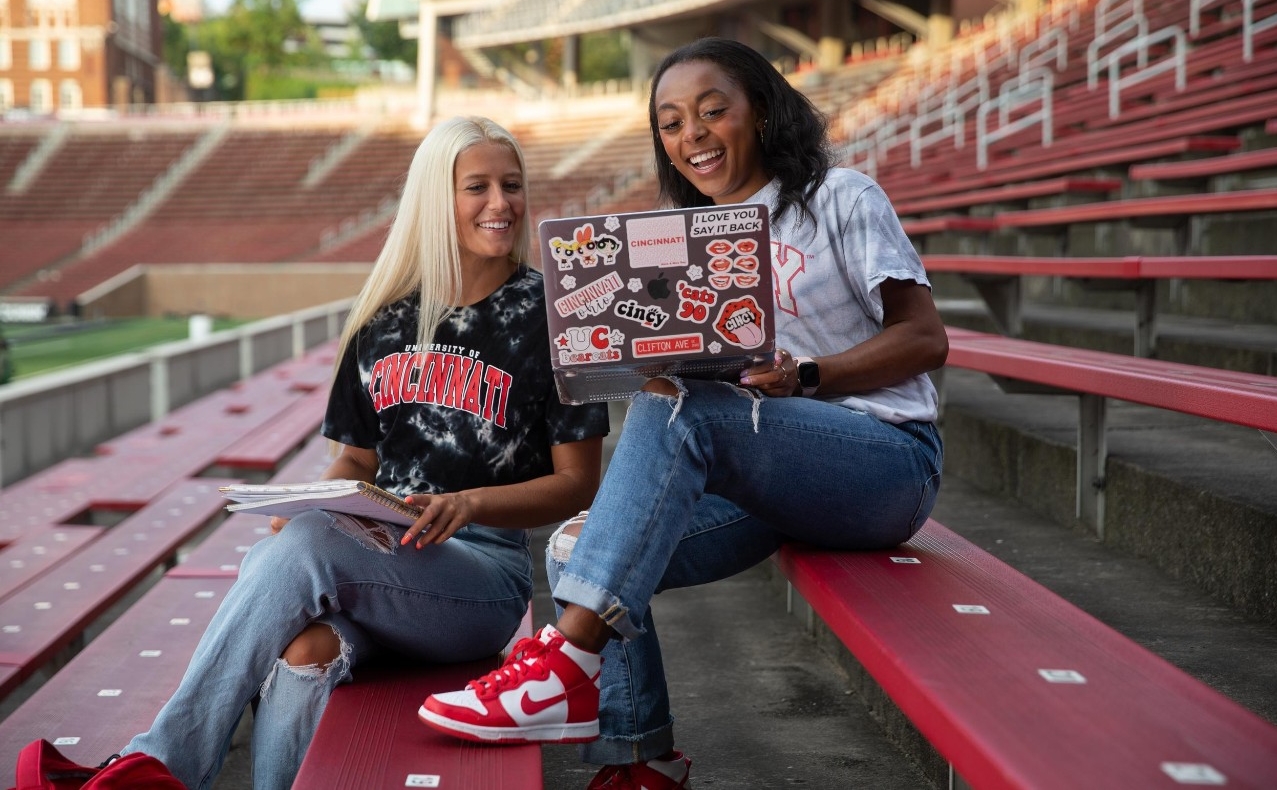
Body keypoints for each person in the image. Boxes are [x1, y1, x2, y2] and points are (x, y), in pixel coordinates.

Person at [420, 38, 949, 789]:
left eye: (711, 112)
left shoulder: (839, 197)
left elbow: (926, 338)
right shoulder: (683, 241)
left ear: (759, 112)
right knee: (579, 544)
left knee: (689, 412)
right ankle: (639, 763)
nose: (690, 136)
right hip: (765, 475)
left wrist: (806, 373)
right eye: (670, 124)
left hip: (885, 460)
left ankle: (563, 666)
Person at [113, 116, 610, 790]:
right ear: (436, 198)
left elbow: (578, 484)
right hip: (377, 563)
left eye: (512, 185)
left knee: (307, 548)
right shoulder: (383, 319)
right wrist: (308, 504)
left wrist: (467, 503)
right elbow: (353, 463)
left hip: (479, 581)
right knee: (303, 646)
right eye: (478, 187)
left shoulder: (553, 317)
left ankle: (165, 763)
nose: (502, 204)